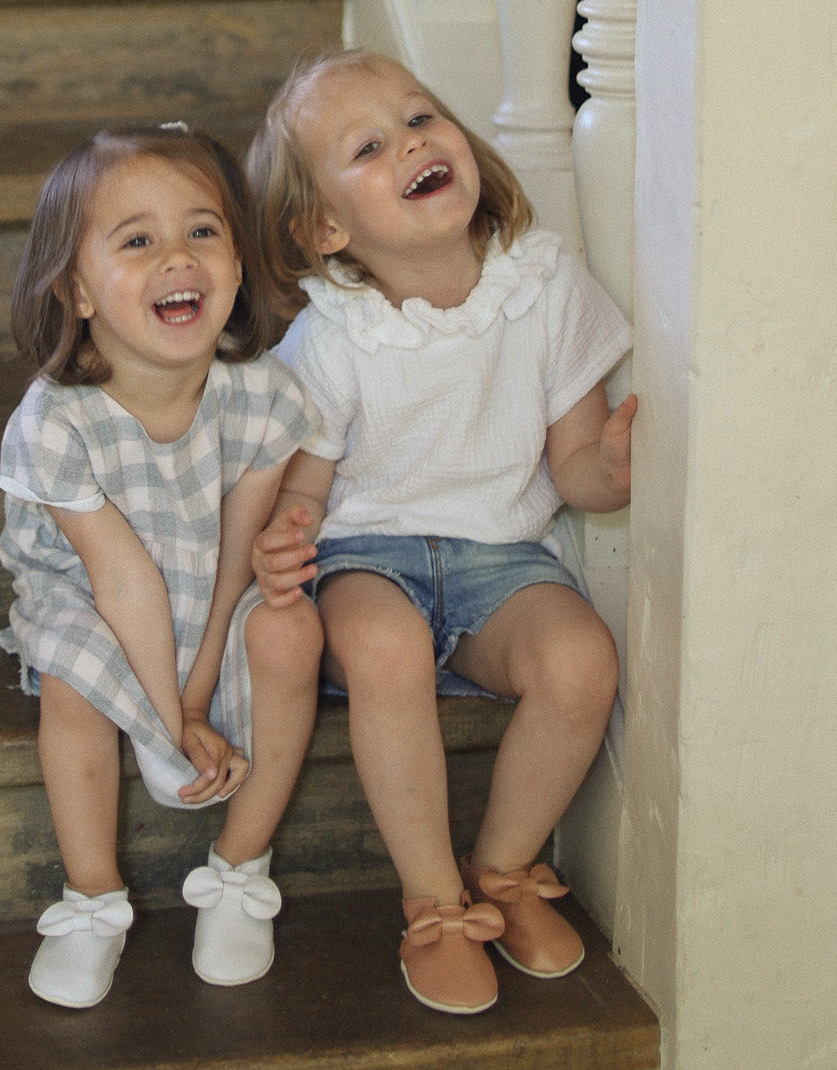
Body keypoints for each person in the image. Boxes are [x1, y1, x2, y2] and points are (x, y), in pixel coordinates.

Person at [246, 50, 636, 1015]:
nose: (413, 143)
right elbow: (305, 490)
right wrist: (283, 540)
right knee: (387, 645)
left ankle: (502, 867)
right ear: (326, 228)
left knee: (582, 662)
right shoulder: (335, 333)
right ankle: (433, 902)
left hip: (503, 562)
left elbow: (574, 465)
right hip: (365, 560)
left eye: (420, 118)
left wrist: (613, 470)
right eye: (369, 147)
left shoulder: (541, 282)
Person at [0, 122, 322, 1009]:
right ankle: (93, 897)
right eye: (137, 241)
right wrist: (164, 725)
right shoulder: (55, 422)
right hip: (93, 591)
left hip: (211, 581)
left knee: (293, 632)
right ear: (78, 290)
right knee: (72, 683)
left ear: (238, 264)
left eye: (202, 231)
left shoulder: (264, 397)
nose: (179, 257)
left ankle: (239, 869)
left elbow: (234, 564)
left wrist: (194, 697)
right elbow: (123, 581)